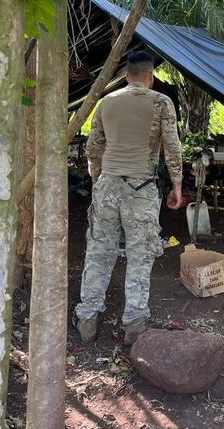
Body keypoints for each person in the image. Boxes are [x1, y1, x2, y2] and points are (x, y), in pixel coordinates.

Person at [76, 51, 185, 345]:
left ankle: (87, 318)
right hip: (141, 189)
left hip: (108, 185)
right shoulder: (161, 102)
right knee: (140, 254)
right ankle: (134, 325)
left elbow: (93, 148)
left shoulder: (106, 102)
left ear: (126, 76)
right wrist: (177, 185)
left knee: (100, 252)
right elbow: (172, 147)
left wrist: (100, 180)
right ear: (151, 77)